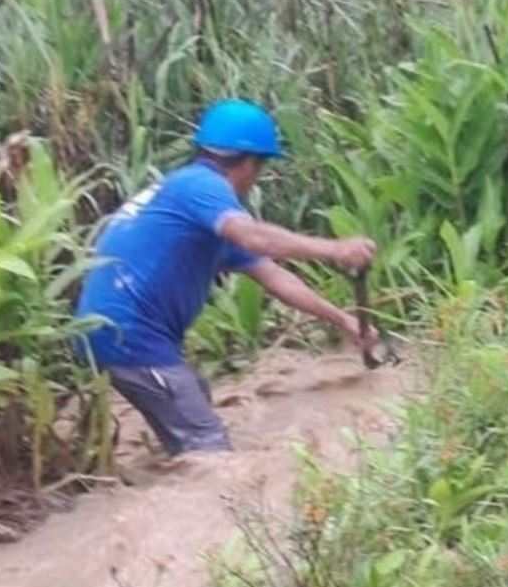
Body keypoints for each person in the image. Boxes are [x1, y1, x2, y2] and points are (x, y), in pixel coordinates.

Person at [76, 100, 379, 456]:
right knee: (210, 456)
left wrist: (343, 320)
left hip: (115, 328)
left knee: (196, 395)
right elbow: (252, 236)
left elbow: (276, 278)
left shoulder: (195, 205)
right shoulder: (202, 187)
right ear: (250, 163)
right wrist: (335, 250)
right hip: (130, 335)